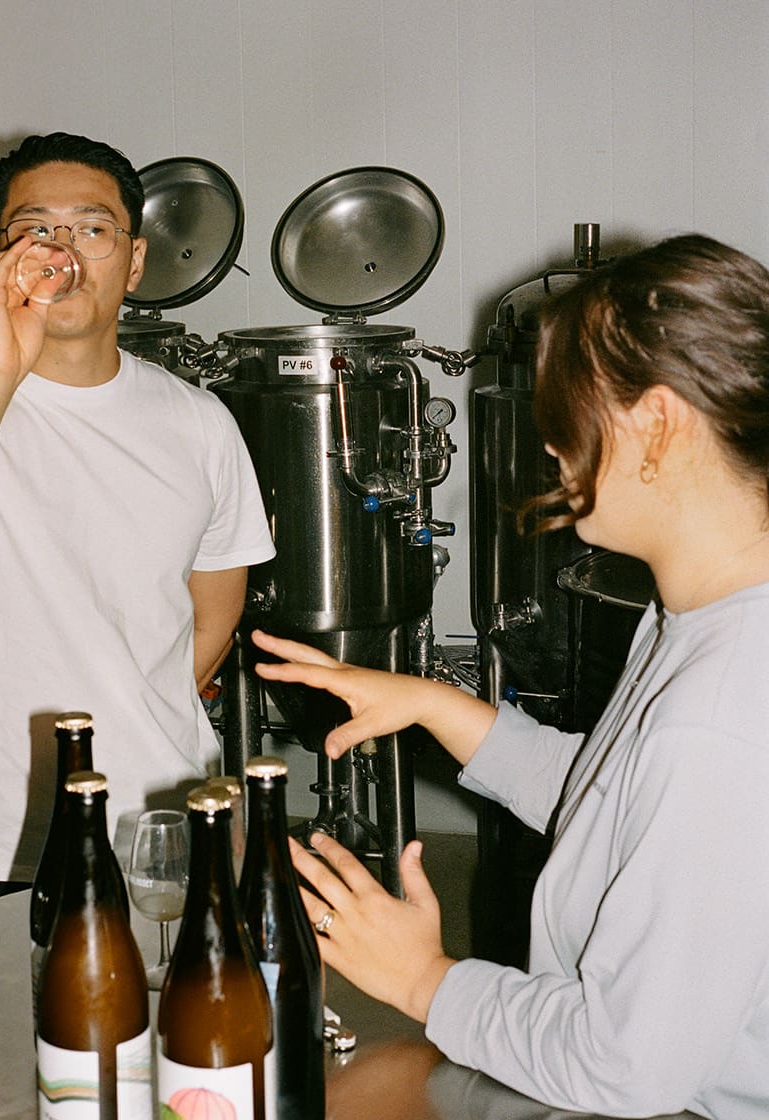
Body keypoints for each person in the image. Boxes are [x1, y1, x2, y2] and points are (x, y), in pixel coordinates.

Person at [253, 233, 769, 1119]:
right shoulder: (701, 614)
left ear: (655, 424)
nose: (550, 446)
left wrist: (425, 980)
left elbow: (625, 1069)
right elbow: (624, 805)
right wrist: (437, 706)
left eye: (566, 413)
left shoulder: (718, 712)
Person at [0, 132, 274, 907]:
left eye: (91, 229)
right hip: (1, 837)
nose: (62, 252)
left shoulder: (200, 421)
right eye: (35, 231)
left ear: (132, 261)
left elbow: (209, 626)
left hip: (167, 823)